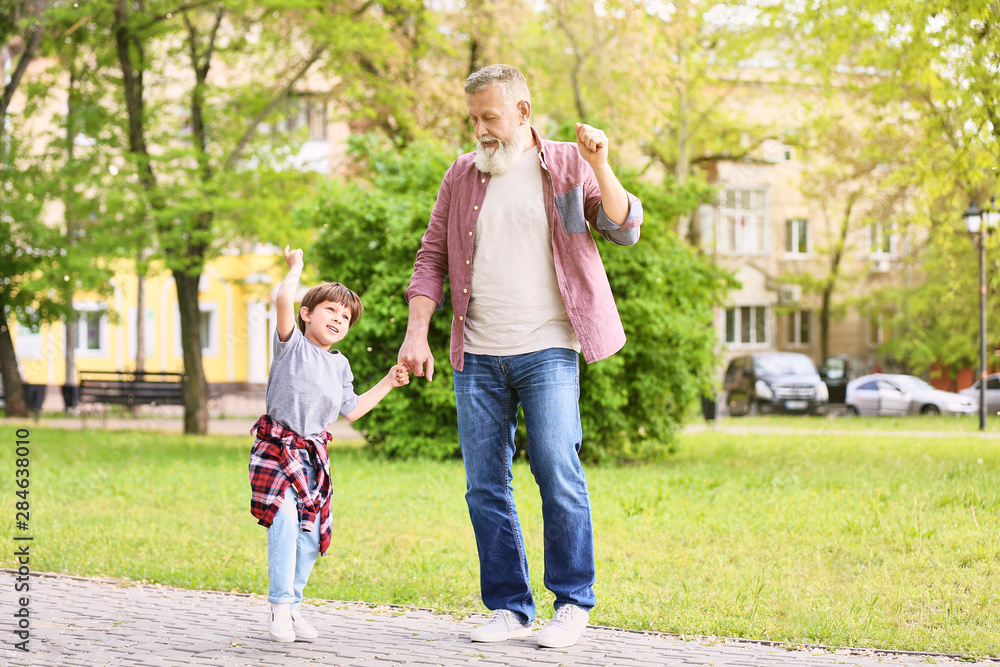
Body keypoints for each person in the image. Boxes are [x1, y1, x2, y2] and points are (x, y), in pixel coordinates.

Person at [397, 64, 642, 648]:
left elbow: (622, 227)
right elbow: (431, 256)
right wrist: (415, 333)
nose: (480, 129)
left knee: (557, 469)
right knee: (485, 485)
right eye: (473, 118)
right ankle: (509, 607)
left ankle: (573, 603)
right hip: (477, 352)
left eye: (491, 117)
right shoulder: (462, 176)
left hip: (549, 346)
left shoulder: (563, 165)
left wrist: (602, 161)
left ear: (524, 111)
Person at [250, 245, 409, 643]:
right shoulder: (291, 345)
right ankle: (279, 607)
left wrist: (388, 382)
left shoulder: (340, 364)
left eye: (345, 317)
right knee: (284, 520)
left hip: (313, 458)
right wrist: (296, 267)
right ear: (307, 314)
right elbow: (283, 298)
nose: (339, 319)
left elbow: (351, 410)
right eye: (330, 311)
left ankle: (295, 604)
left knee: (310, 535)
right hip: (276, 449)